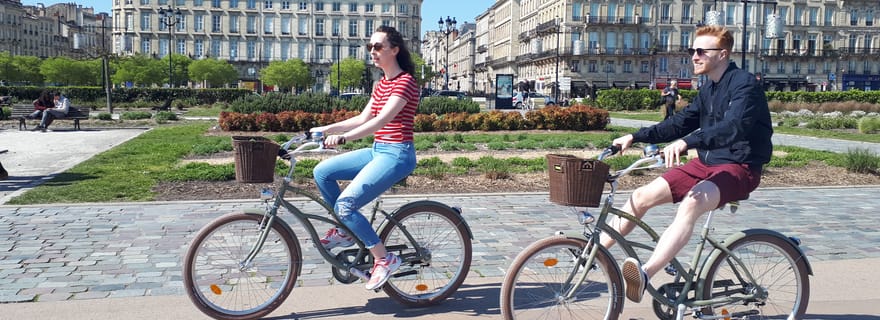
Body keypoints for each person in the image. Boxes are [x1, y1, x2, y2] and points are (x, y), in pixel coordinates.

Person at [604, 25, 773, 304]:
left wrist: (688, 142)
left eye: (701, 51)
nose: (694, 56)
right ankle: (594, 256)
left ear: (723, 54)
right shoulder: (708, 89)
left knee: (691, 203)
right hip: (706, 164)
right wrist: (634, 136)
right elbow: (679, 123)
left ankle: (645, 274)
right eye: (692, 50)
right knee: (641, 196)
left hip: (740, 166)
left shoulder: (745, 85)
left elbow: (733, 128)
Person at [308, 26, 419, 291]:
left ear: (395, 50)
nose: (372, 51)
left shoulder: (405, 82)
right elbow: (363, 118)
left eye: (378, 47)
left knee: (346, 205)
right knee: (322, 172)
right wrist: (326, 128)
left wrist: (343, 139)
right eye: (370, 47)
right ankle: (346, 230)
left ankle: (384, 259)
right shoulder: (381, 84)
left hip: (398, 154)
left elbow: (380, 121)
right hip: (379, 150)